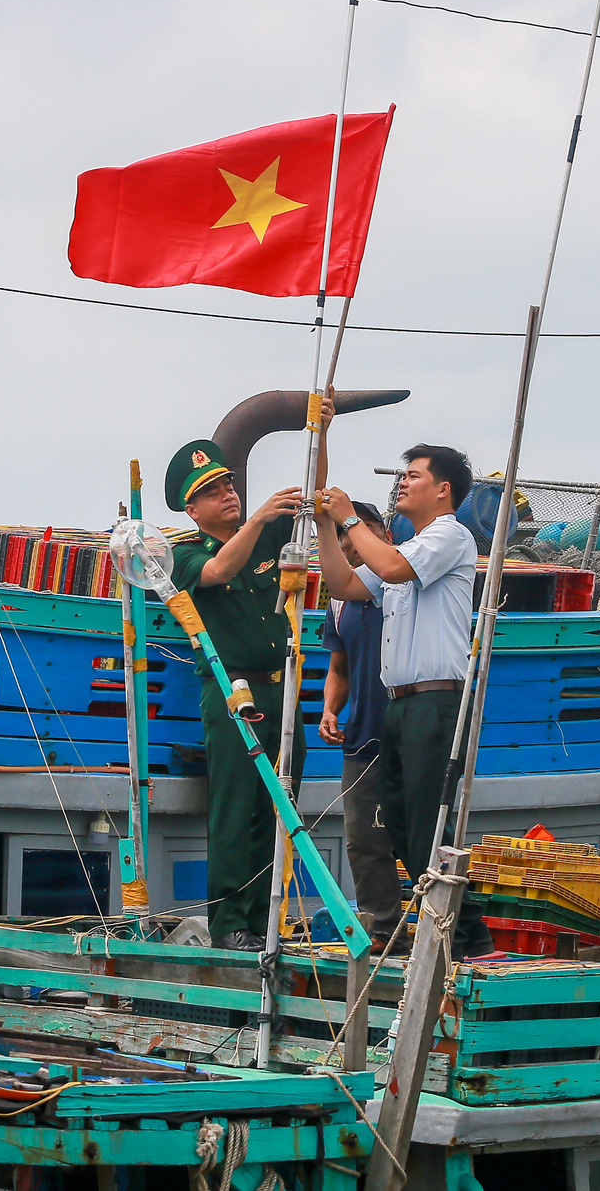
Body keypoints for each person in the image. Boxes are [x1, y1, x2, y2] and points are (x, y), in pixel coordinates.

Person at [164, 396, 332, 952]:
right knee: (237, 811)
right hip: (232, 691)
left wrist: (320, 431)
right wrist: (257, 515)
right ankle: (231, 922)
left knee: (280, 807)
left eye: (230, 485)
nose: (228, 494)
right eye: (213, 492)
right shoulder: (183, 555)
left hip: (283, 690)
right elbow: (216, 570)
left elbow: (315, 497)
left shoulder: (266, 535)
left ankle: (266, 919)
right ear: (192, 510)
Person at [316, 446, 494, 958]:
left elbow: (391, 568)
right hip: (399, 705)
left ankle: (466, 942)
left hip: (434, 701)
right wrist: (330, 528)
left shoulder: (448, 536)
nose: (402, 483)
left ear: (443, 490)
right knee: (397, 822)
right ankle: (460, 937)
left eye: (413, 476)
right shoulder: (411, 546)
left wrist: (349, 514)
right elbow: (344, 583)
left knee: (424, 825)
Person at [318, 500, 400, 932]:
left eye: (358, 529)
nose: (350, 541)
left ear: (384, 536)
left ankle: (440, 931)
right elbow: (338, 667)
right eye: (341, 534)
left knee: (422, 836)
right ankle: (385, 930)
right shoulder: (339, 602)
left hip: (409, 728)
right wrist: (330, 708)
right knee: (364, 839)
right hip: (361, 733)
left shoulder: (404, 582)